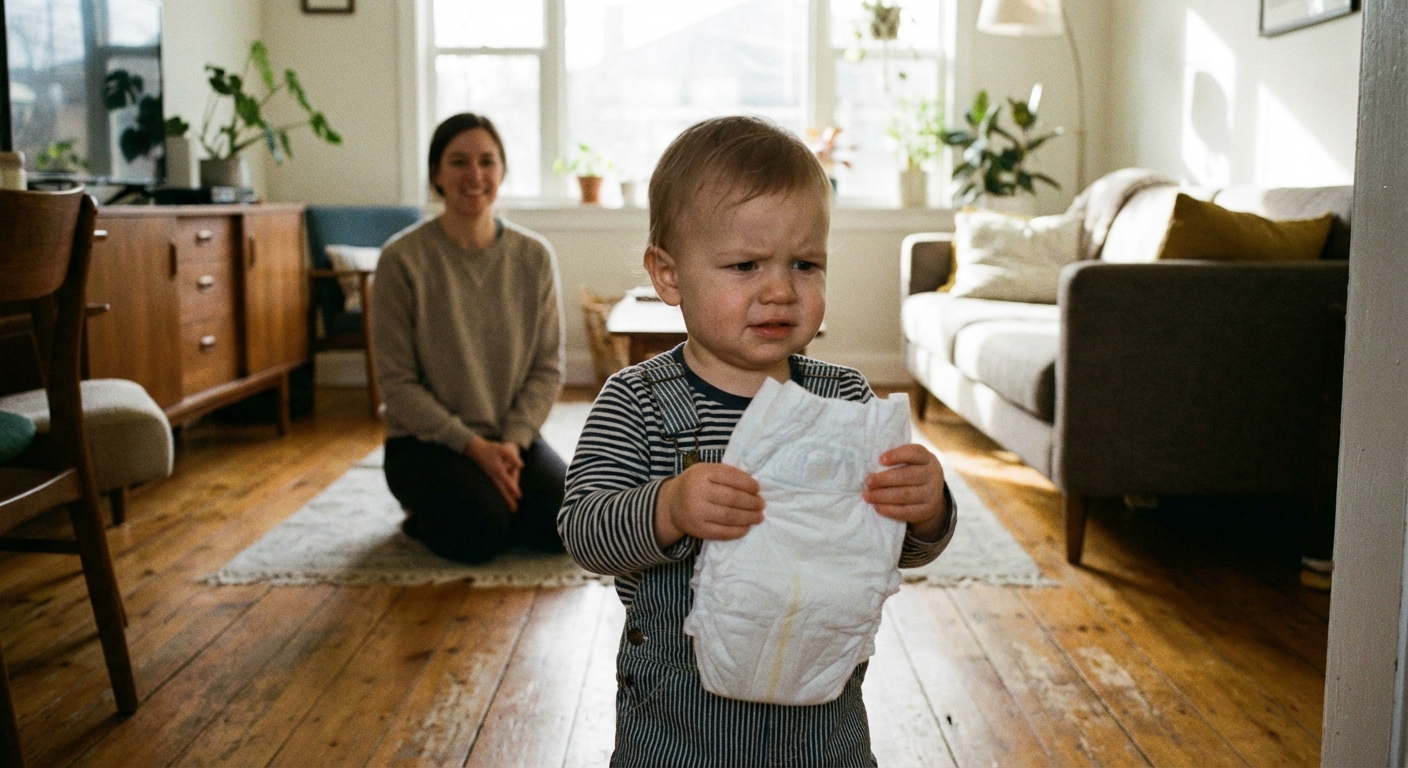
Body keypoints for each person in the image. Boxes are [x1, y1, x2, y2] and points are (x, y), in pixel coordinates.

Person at [557, 116, 957, 766]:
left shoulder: (846, 402)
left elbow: (889, 551)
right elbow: (583, 533)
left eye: (805, 264)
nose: (779, 289)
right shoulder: (637, 402)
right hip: (677, 733)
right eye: (745, 265)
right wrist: (668, 508)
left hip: (824, 734)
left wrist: (926, 508)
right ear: (669, 276)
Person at [372, 113, 566, 564]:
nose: (474, 175)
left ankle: (487, 499)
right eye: (458, 162)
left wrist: (512, 444)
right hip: (425, 443)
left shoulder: (533, 256)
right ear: (437, 174)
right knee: (479, 533)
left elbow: (547, 367)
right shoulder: (401, 260)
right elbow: (398, 386)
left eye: (487, 161)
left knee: (562, 524)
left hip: (508, 437)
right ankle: (421, 515)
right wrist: (474, 448)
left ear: (502, 171)